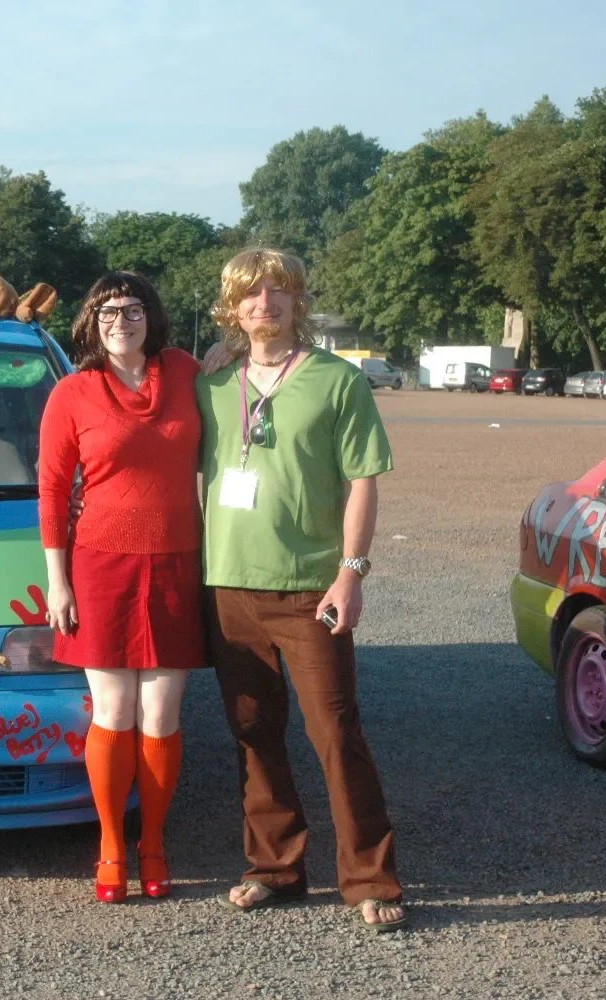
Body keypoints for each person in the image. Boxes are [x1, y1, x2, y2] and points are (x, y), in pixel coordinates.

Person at [197, 248, 407, 932]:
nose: (266, 303)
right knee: (254, 731)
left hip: (310, 587)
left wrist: (352, 571)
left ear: (298, 302)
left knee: (335, 732)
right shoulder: (210, 384)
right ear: (234, 308)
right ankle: (275, 869)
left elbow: (362, 481)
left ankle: (371, 880)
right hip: (228, 584)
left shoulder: (335, 381)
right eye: (251, 294)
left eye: (278, 291)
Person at [38, 272, 206, 904]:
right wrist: (58, 581)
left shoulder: (188, 374)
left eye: (132, 309)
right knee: (113, 712)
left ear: (151, 316)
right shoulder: (73, 393)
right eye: (106, 311)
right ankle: (112, 843)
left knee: (162, 713)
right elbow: (53, 491)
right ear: (89, 323)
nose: (119, 320)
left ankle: (154, 842)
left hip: (176, 563)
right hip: (99, 565)